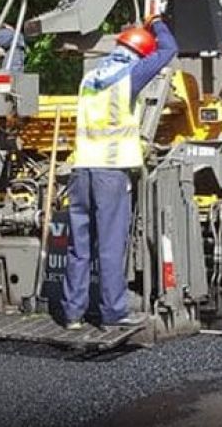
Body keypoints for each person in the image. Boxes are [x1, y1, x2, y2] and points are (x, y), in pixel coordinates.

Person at [62, 18, 178, 330]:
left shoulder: (90, 77)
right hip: (110, 173)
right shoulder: (131, 74)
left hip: (80, 170)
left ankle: (73, 314)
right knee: (111, 246)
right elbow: (170, 50)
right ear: (139, 53)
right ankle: (112, 313)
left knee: (79, 246)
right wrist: (157, 24)